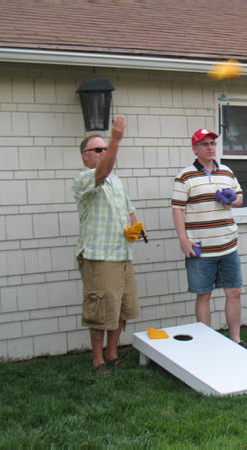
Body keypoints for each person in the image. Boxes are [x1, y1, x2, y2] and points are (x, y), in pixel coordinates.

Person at [72, 115, 146, 374]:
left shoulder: (117, 181)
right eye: (98, 149)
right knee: (101, 309)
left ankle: (112, 354)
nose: (103, 152)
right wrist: (116, 139)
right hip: (99, 256)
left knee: (122, 309)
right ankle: (97, 360)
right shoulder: (85, 178)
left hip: (122, 255)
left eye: (105, 148)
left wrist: (136, 227)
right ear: (85, 156)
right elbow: (102, 171)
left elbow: (129, 209)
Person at [171, 128, 245, 344]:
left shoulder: (227, 172)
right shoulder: (185, 176)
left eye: (212, 143)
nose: (210, 147)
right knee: (203, 295)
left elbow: (239, 197)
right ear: (195, 149)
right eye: (205, 144)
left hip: (228, 244)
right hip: (200, 247)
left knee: (234, 292)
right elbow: (177, 209)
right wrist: (183, 239)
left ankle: (236, 340)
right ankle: (207, 343)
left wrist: (232, 199)